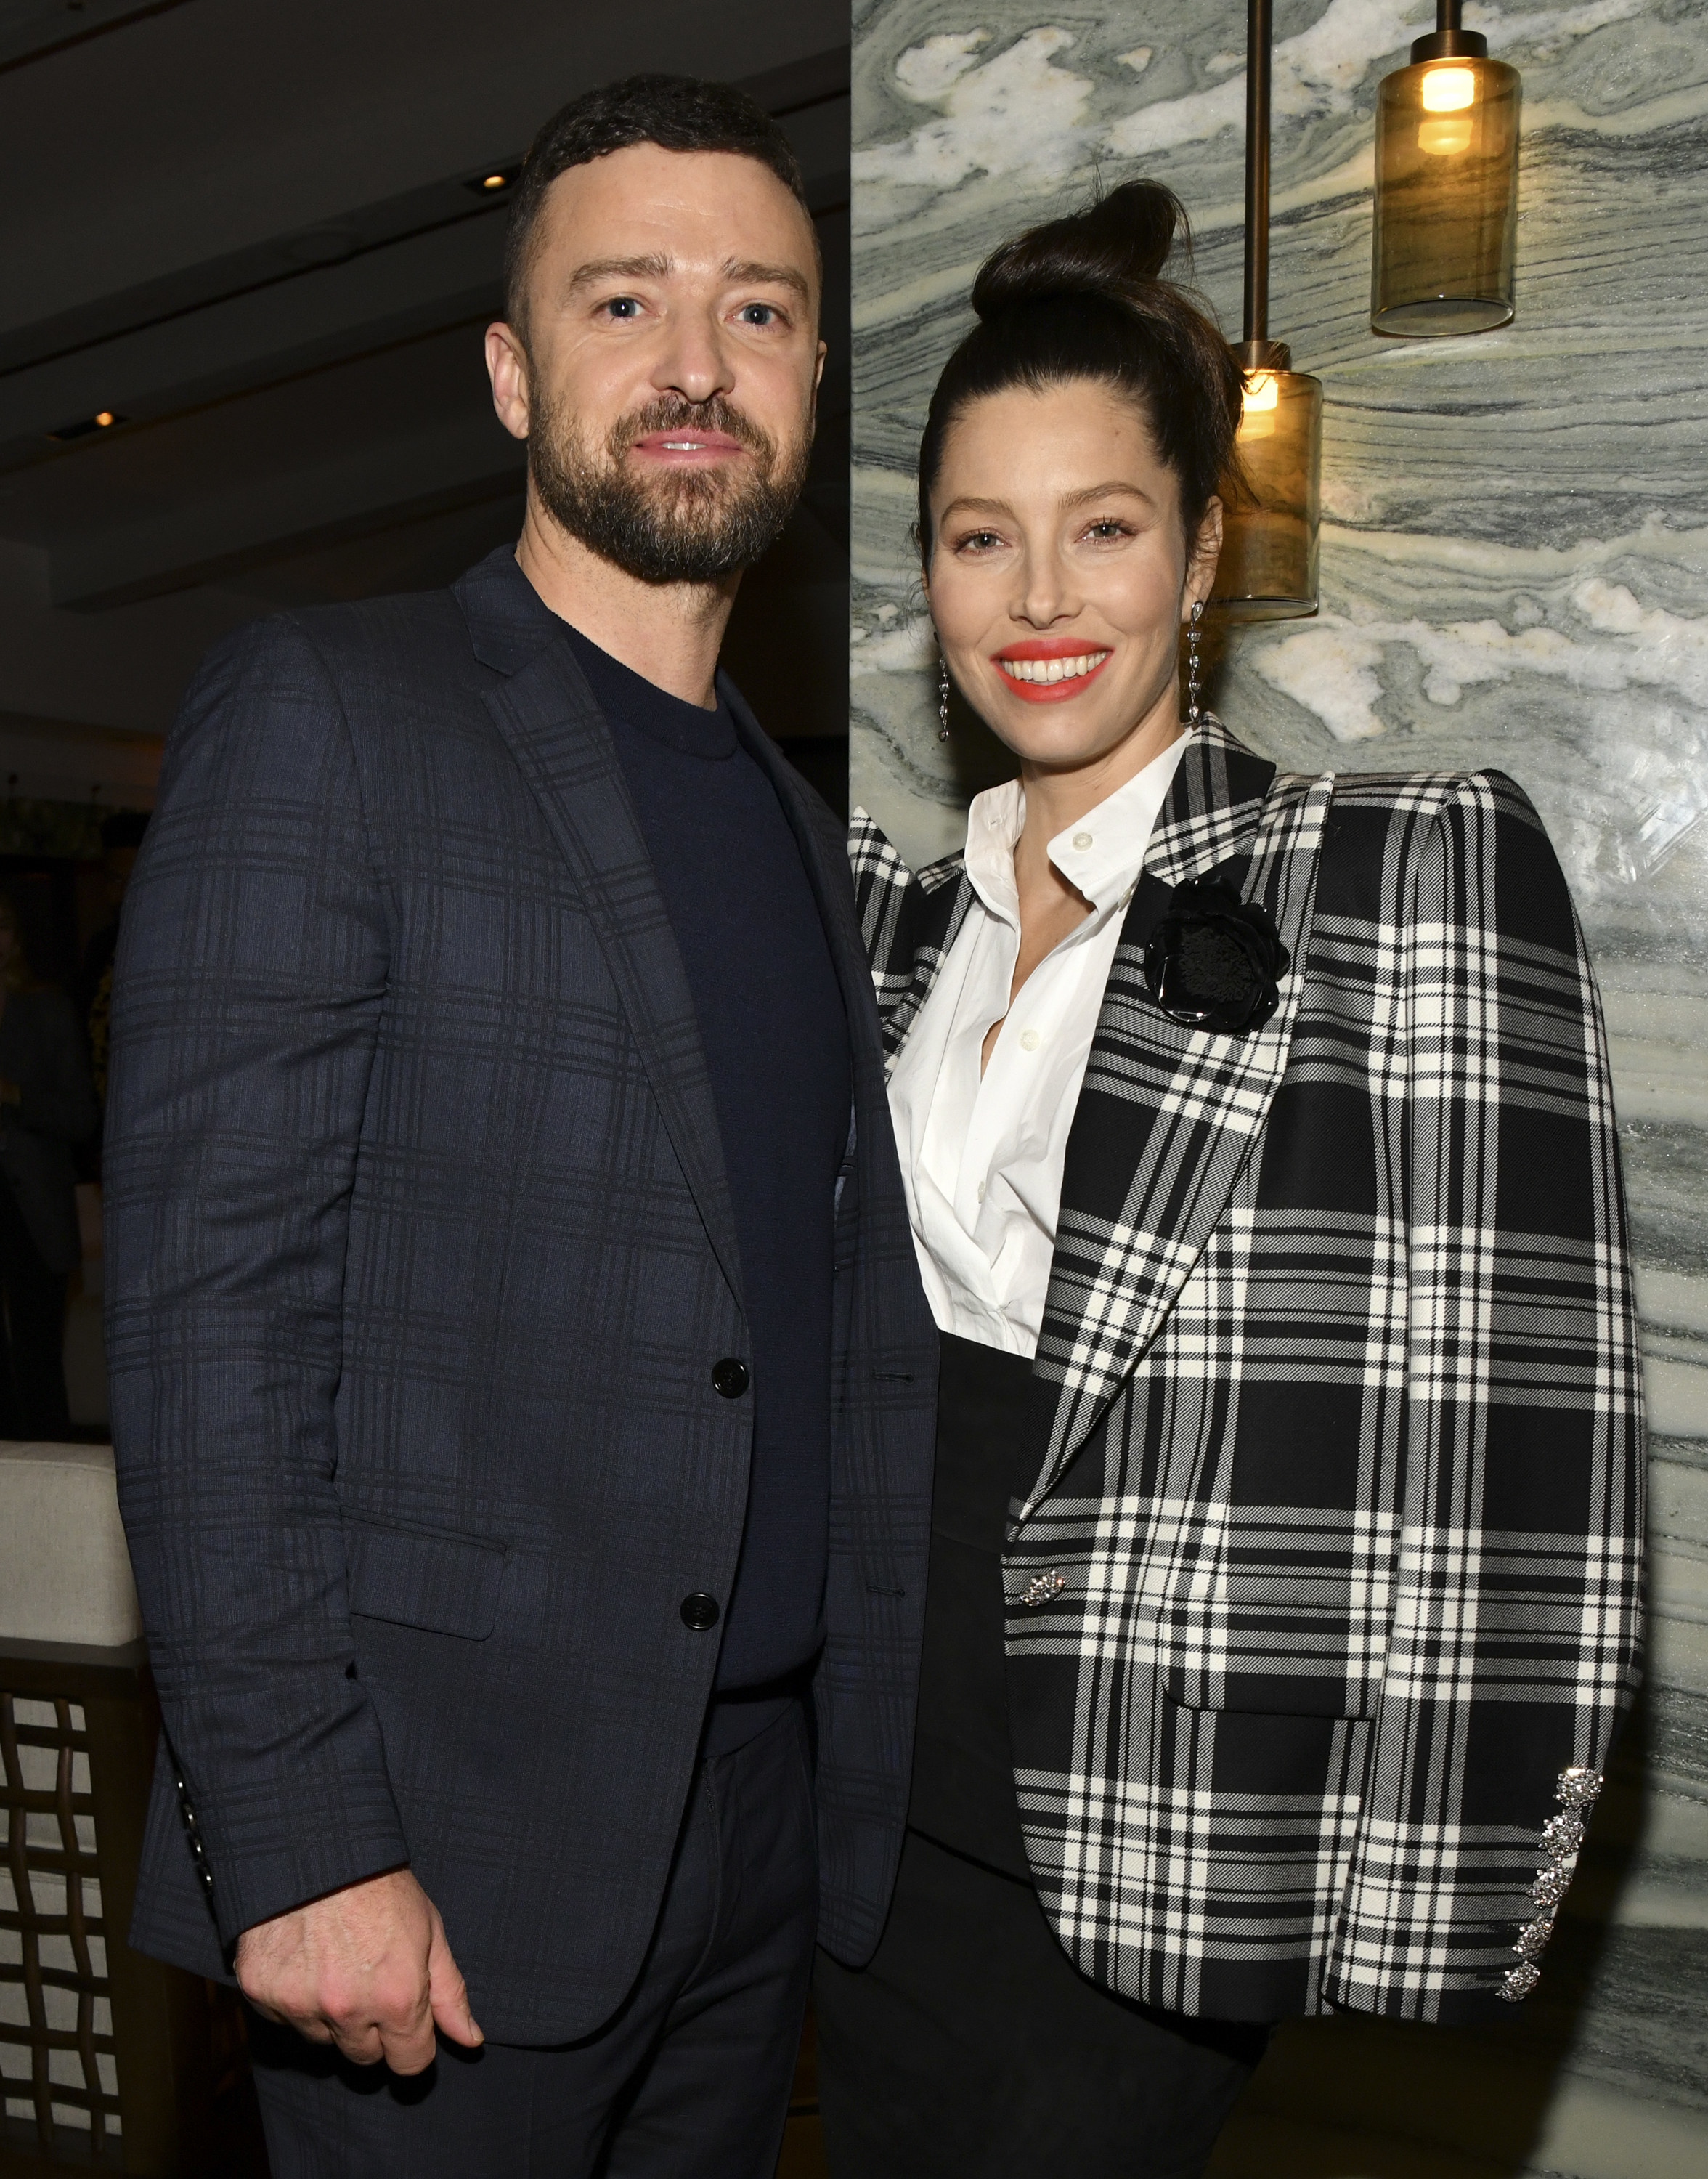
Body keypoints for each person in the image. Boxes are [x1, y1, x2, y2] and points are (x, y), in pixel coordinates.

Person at [105, 75, 935, 2179]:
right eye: (624, 303)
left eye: (757, 313)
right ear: (509, 371)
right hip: (440, 1857)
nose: (692, 364)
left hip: (748, 1837)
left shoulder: (796, 815)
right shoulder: (328, 706)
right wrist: (301, 1839)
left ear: (816, 378)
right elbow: (210, 1314)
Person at [815, 180, 1645, 2178]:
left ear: (1201, 554)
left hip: (1152, 1811)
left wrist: (1430, 1868)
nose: (1040, 596)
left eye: (1103, 529)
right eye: (977, 537)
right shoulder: (865, 930)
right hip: (848, 1783)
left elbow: (1518, 1421)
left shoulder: (1396, 872)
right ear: (925, 576)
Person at [0, 893, 98, 1437]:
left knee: (38, 1356)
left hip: (33, 1203)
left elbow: (81, 1116)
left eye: (2, 927)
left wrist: (17, 1095)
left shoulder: (47, 1009)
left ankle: (48, 1483)